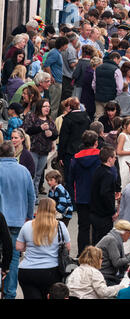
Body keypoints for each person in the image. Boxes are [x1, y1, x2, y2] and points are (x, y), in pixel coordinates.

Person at [0, 141, 35, 299]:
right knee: (14, 258)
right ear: (14, 154)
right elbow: (31, 196)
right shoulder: (24, 171)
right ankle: (10, 293)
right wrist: (28, 216)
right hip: (17, 220)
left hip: (2, 220)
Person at [16, 198, 70, 299]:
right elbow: (68, 247)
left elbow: (19, 247)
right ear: (53, 210)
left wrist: (31, 245)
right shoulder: (60, 226)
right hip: (51, 271)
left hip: (27, 271)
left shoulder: (27, 225)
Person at [67, 130, 101, 256]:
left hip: (81, 196)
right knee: (97, 227)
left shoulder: (75, 159)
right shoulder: (100, 157)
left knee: (83, 227)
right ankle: (96, 254)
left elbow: (70, 179)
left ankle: (82, 253)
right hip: (97, 197)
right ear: (96, 143)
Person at [22, 99, 58, 204]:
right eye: (45, 106)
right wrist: (40, 128)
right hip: (33, 149)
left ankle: (35, 195)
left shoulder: (50, 120)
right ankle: (31, 196)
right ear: (39, 107)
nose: (47, 108)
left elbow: (55, 134)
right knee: (31, 174)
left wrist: (51, 134)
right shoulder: (32, 117)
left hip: (44, 151)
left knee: (38, 175)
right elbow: (26, 130)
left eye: (48, 106)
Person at [57, 97, 91, 189]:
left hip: (70, 152)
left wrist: (60, 156)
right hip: (83, 151)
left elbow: (63, 138)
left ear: (69, 107)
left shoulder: (67, 119)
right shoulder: (87, 118)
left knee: (70, 179)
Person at [90, 145, 121, 245]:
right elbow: (106, 194)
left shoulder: (98, 170)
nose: (115, 159)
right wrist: (112, 211)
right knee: (104, 242)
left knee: (96, 240)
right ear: (109, 159)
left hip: (95, 211)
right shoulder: (109, 174)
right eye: (114, 157)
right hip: (103, 214)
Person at [96, 220, 130, 286]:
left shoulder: (114, 238)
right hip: (104, 275)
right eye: (129, 233)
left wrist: (129, 255)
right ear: (123, 232)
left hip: (107, 274)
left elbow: (117, 257)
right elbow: (117, 262)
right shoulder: (111, 240)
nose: (129, 236)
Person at [43, 36, 69, 120]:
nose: (67, 47)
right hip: (55, 83)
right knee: (54, 106)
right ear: (62, 45)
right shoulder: (55, 53)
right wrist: (51, 76)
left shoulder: (57, 52)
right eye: (66, 45)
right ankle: (51, 123)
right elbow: (46, 64)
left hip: (57, 81)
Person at [92, 52, 123, 121]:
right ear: (115, 59)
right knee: (111, 117)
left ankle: (96, 130)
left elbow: (93, 84)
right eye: (119, 60)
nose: (119, 62)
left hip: (99, 97)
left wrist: (96, 92)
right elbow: (120, 87)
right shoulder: (116, 70)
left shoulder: (98, 68)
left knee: (98, 116)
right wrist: (116, 95)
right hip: (111, 98)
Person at [116, 116, 130, 190]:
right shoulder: (122, 136)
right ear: (125, 126)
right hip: (125, 162)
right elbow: (118, 151)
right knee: (125, 182)